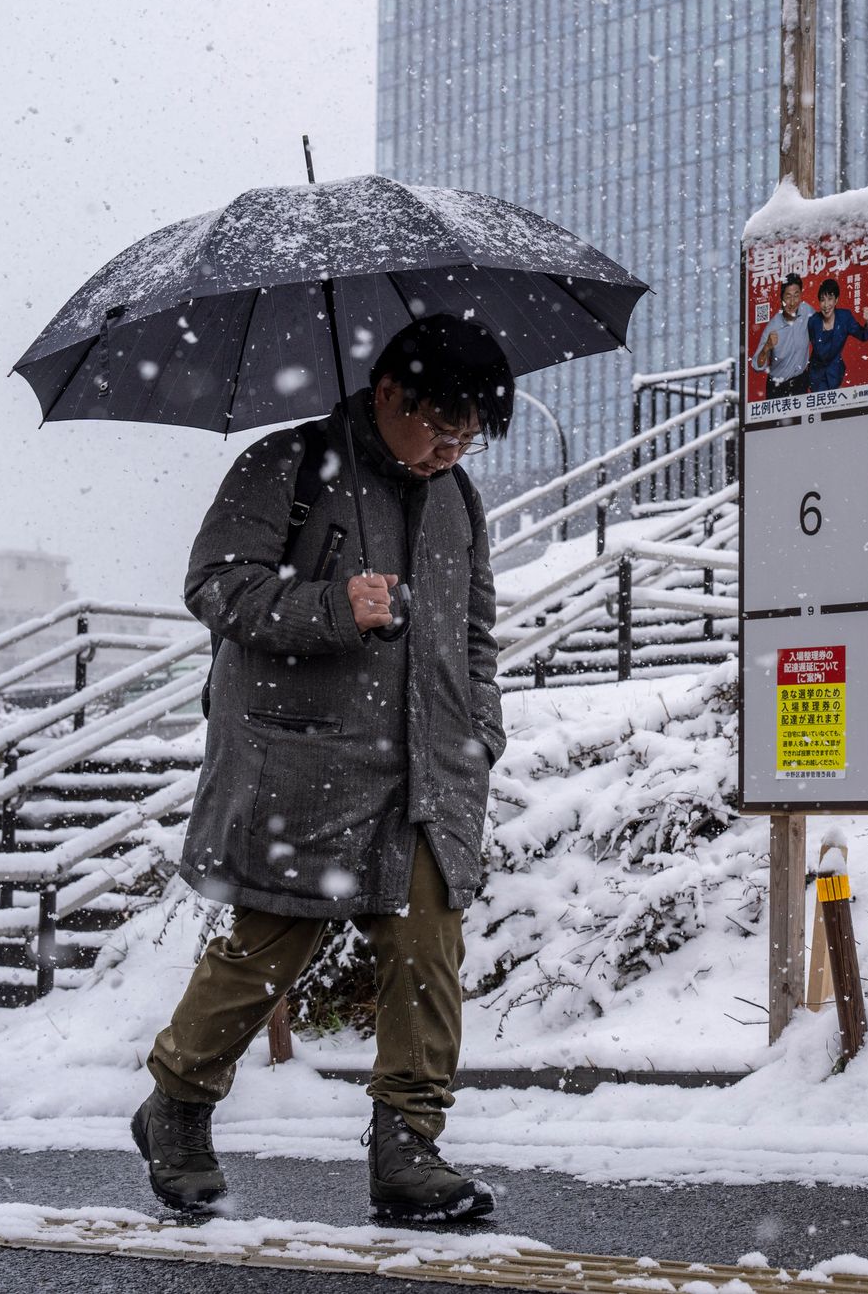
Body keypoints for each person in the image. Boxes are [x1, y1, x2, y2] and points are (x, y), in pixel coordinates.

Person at [133, 314, 512, 1224]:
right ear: (388, 394)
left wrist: (479, 732)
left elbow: (475, 635)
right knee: (268, 949)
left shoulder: (457, 498)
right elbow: (217, 584)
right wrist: (332, 605)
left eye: (468, 436)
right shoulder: (289, 466)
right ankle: (178, 1105)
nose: (451, 450)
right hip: (305, 763)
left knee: (429, 951)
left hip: (428, 769)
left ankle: (408, 1150)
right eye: (440, 427)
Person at [804, 277, 868, 393]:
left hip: (835, 372)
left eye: (830, 299)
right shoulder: (813, 321)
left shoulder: (844, 317)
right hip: (816, 375)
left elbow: (863, 335)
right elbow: (802, 344)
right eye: (822, 300)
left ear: (836, 300)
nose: (826, 305)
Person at [752, 274, 815, 397]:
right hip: (778, 388)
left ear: (801, 296)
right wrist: (766, 348)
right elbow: (757, 366)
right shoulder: (773, 327)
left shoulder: (807, 311)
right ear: (782, 298)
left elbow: (823, 328)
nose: (792, 302)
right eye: (788, 296)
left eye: (796, 296)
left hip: (801, 383)